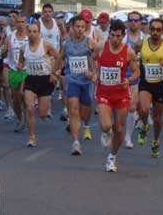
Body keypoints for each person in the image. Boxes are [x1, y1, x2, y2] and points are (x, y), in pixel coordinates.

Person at [92, 19, 140, 172]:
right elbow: (92, 59)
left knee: (119, 129)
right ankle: (107, 132)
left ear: (123, 36)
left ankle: (112, 157)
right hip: (104, 93)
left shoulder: (128, 52)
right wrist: (95, 73)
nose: (115, 39)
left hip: (121, 95)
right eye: (112, 35)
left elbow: (137, 72)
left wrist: (129, 79)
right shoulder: (101, 47)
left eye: (118, 36)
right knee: (106, 125)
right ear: (109, 35)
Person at [134, 18, 163, 158]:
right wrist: (135, 68)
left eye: (158, 30)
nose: (155, 32)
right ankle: (145, 125)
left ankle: (155, 142)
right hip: (145, 83)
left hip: (159, 85)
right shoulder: (141, 44)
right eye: (152, 29)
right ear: (149, 29)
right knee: (145, 108)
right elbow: (130, 58)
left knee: (158, 118)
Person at [18, 23, 61, 147]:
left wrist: (55, 73)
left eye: (35, 31)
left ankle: (45, 108)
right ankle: (32, 137)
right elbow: (21, 60)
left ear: (39, 33)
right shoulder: (23, 48)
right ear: (27, 33)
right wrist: (20, 66)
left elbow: (59, 58)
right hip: (30, 79)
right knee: (30, 108)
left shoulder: (45, 44)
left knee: (42, 114)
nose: (32, 34)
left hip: (45, 80)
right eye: (30, 31)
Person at [60, 16, 98, 154]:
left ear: (85, 28)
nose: (80, 29)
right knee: (73, 108)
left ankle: (86, 125)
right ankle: (76, 142)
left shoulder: (90, 42)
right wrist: (57, 72)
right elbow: (61, 59)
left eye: (82, 27)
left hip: (86, 82)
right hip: (72, 80)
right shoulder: (66, 43)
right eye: (77, 26)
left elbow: (97, 60)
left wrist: (93, 74)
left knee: (85, 109)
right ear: (72, 27)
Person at [123, 11, 146, 149]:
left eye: (136, 20)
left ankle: (128, 137)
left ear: (141, 22)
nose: (133, 22)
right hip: (119, 76)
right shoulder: (121, 36)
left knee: (132, 107)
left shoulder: (145, 38)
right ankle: (110, 130)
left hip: (136, 77)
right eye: (130, 20)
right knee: (118, 109)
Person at [3, 15, 29, 132]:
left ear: (26, 23)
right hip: (14, 70)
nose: (20, 24)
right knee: (16, 99)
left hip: (27, 70)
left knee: (23, 94)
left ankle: (28, 117)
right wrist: (4, 50)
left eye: (23, 22)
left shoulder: (31, 37)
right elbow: (3, 56)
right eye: (18, 22)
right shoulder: (10, 37)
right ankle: (20, 119)